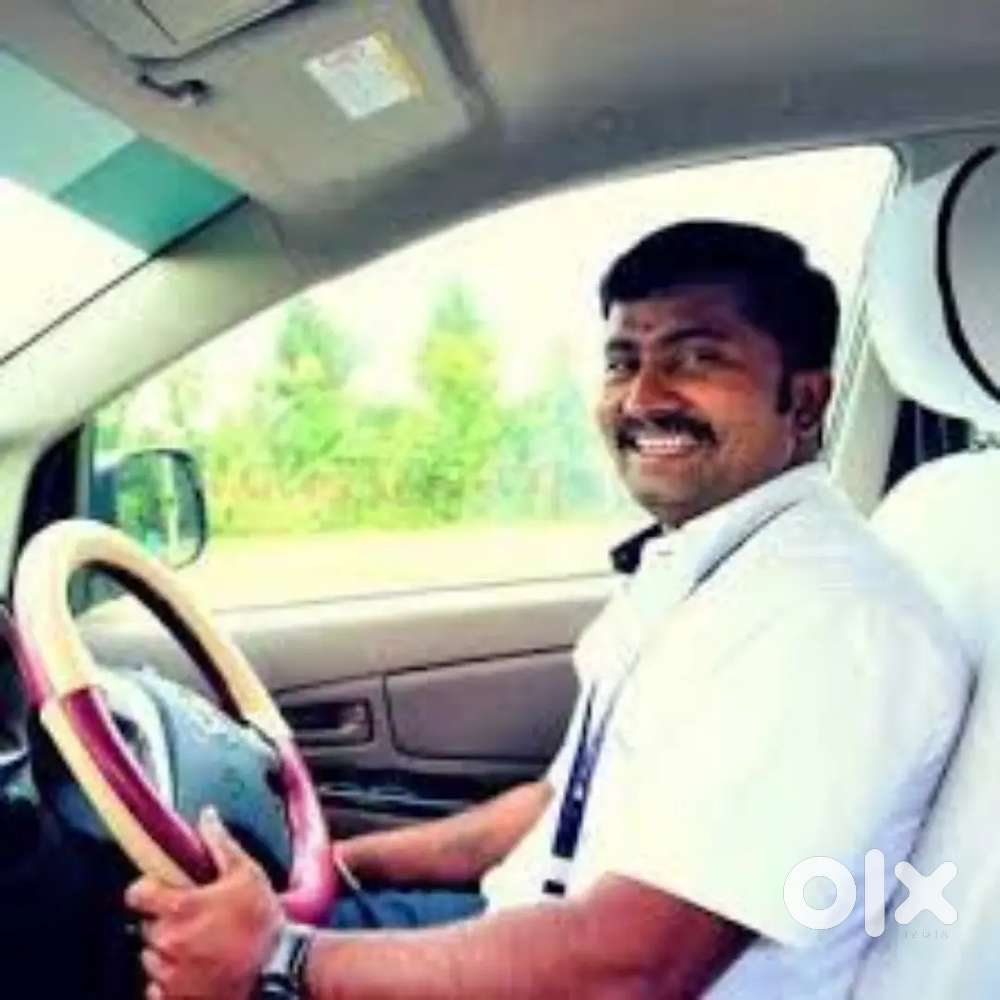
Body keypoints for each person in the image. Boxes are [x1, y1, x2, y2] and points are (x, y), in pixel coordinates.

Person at [126, 222, 969, 999]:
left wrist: (280, 961)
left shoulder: (828, 626)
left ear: (805, 400)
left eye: (696, 358)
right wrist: (339, 867)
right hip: (527, 933)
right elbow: (559, 804)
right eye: (622, 361)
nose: (643, 397)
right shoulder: (719, 565)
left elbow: (634, 968)